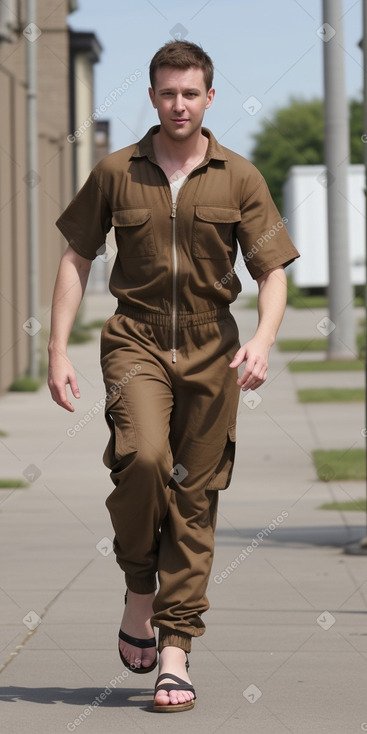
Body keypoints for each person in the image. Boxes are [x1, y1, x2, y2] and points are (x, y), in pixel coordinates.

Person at [48, 40, 300, 712]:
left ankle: (174, 651)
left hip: (210, 348)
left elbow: (271, 271)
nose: (178, 104)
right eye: (166, 93)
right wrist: (55, 350)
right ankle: (139, 587)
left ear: (209, 97)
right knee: (142, 457)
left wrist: (263, 340)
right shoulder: (115, 172)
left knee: (193, 499)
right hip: (134, 342)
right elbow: (76, 254)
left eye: (190, 93)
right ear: (153, 96)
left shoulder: (239, 177)